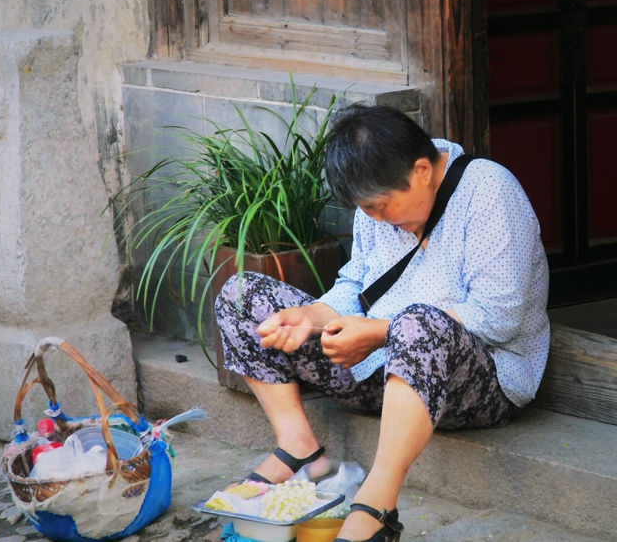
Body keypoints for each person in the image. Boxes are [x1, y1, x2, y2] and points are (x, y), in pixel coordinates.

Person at [215, 104, 550, 542]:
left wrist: (379, 333)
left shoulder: (489, 192)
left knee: (417, 325)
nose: (375, 218)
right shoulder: (379, 198)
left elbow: (498, 319)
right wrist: (314, 316)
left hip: (478, 381)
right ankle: (299, 448)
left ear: (423, 171)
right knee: (241, 296)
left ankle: (376, 503)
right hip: (376, 367)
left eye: (381, 207)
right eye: (365, 209)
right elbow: (358, 281)